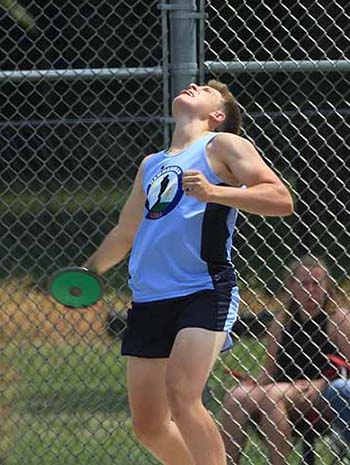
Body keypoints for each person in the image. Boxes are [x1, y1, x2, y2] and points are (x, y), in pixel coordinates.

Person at [84, 80, 293, 465]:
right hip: (149, 298)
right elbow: (126, 232)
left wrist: (217, 193)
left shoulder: (223, 145)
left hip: (202, 289)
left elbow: (280, 198)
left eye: (206, 90)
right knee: (149, 426)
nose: (193, 84)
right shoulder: (152, 163)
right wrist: (88, 271)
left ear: (217, 116)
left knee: (182, 396)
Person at [221, 255, 350, 465]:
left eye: (317, 284)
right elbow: (269, 372)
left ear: (327, 287)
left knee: (272, 395)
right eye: (304, 284)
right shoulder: (282, 321)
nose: (311, 290)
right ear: (291, 287)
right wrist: (254, 383)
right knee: (237, 396)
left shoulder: (338, 319)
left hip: (322, 391)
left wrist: (320, 384)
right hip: (284, 387)